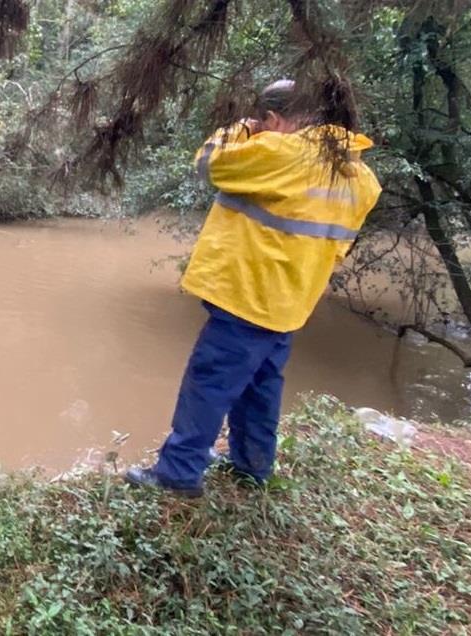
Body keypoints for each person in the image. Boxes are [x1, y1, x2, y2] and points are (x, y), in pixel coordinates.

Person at [125, 79, 382, 497]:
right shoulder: (361, 177)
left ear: (275, 119)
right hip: (289, 304)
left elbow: (211, 163)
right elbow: (337, 248)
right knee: (261, 387)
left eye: (263, 123)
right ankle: (252, 466)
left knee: (208, 383)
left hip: (247, 296)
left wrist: (240, 130)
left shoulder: (281, 151)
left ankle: (177, 474)